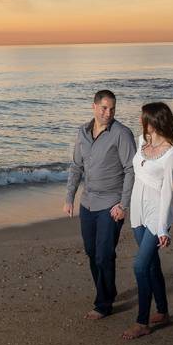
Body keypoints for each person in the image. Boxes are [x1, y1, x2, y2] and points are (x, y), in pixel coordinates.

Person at [64, 90, 137, 320]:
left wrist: (123, 205)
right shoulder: (82, 133)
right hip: (87, 203)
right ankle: (109, 291)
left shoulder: (122, 134)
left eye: (112, 108)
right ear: (94, 107)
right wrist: (69, 198)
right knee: (91, 252)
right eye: (104, 108)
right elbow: (76, 167)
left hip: (111, 204)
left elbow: (131, 170)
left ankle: (103, 304)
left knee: (104, 255)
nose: (108, 113)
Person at [122, 102, 173, 340]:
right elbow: (135, 173)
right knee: (151, 264)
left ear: (156, 121)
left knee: (140, 266)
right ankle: (163, 311)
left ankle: (142, 322)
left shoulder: (170, 153)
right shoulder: (143, 141)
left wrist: (163, 229)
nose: (142, 122)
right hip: (138, 211)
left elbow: (167, 192)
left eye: (145, 119)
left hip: (156, 213)